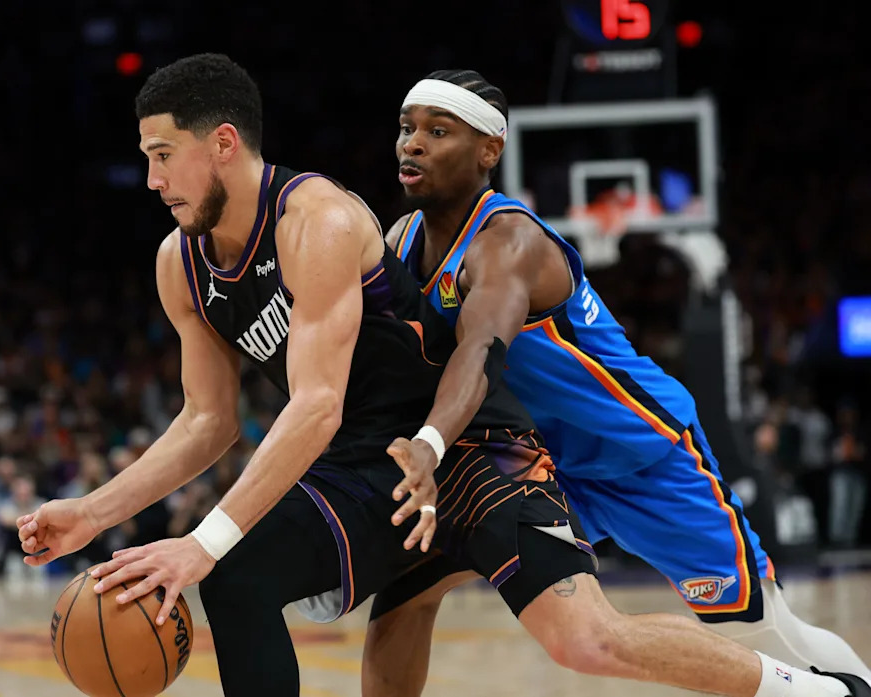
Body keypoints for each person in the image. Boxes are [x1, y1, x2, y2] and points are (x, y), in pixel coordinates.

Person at [15, 53, 601, 696]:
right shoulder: (179, 263)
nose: (153, 180)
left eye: (163, 155)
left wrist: (202, 542)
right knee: (239, 577)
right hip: (358, 465)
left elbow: (318, 403)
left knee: (590, 643)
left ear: (223, 143)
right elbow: (207, 421)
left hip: (455, 448)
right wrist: (93, 513)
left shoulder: (316, 221)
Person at [361, 69, 871, 697]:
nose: (412, 143)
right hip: (541, 467)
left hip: (643, 453)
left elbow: (481, 352)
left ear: (489, 150)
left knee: (758, 628)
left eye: (438, 131)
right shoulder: (401, 241)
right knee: (405, 591)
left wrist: (429, 443)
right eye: (406, 128)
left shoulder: (510, 243)